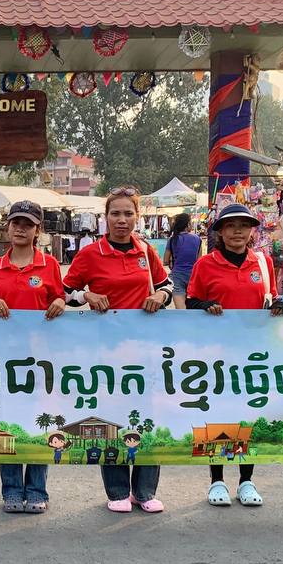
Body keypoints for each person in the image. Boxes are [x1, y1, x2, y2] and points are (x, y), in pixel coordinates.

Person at [62, 186, 173, 514]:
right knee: (111, 418)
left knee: (147, 418)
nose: (121, 220)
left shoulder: (146, 251)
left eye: (128, 213)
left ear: (137, 217)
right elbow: (64, 291)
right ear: (105, 217)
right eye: (115, 213)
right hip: (106, 354)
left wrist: (161, 296)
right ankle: (118, 491)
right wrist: (86, 296)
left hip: (144, 351)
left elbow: (166, 285)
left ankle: (145, 491)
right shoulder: (90, 254)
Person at [187, 202, 283, 509]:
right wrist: (205, 306)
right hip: (216, 356)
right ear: (220, 232)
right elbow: (191, 301)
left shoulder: (263, 262)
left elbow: (270, 298)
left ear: (252, 231)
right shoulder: (206, 264)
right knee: (218, 416)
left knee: (250, 415)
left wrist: (279, 306)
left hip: (254, 355)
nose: (237, 232)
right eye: (230, 226)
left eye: (244, 226)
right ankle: (216, 480)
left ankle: (246, 480)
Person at [0, 200, 65, 513]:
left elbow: (59, 297)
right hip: (4, 359)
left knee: (39, 421)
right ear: (7, 227)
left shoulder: (50, 265)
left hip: (41, 359)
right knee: (7, 422)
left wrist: (60, 302)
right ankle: (12, 491)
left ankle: (37, 489)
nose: (20, 229)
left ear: (37, 230)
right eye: (16, 223)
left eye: (28, 224)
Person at [163, 213, 202, 310]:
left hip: (177, 277)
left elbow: (165, 261)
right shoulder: (198, 239)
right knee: (193, 308)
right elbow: (199, 261)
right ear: (188, 224)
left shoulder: (172, 239)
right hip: (193, 277)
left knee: (181, 310)